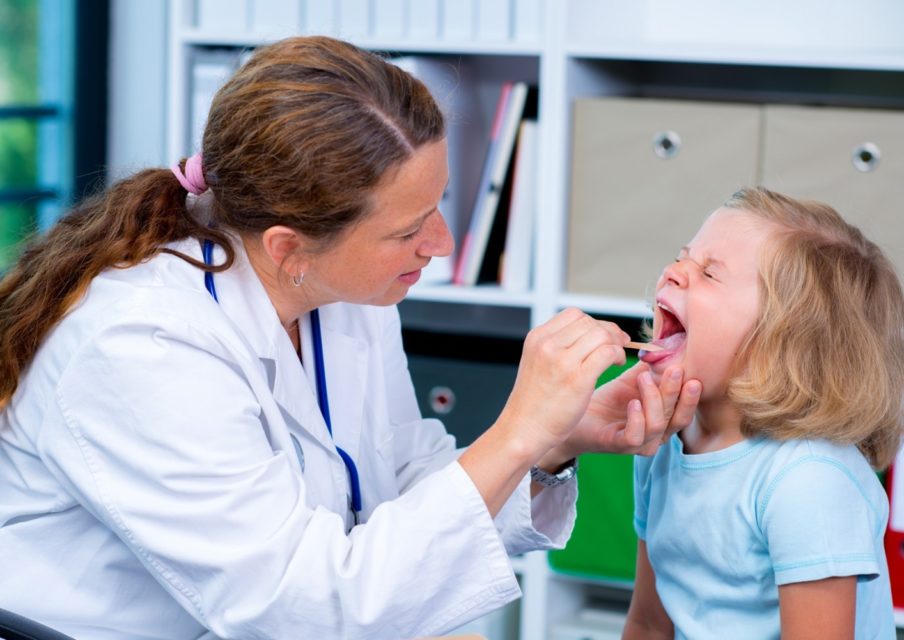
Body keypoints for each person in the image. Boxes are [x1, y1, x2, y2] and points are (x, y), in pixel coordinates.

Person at [0, 36, 700, 639]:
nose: (443, 242)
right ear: (288, 247)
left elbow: (396, 488)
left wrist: (555, 440)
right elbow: (302, 611)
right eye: (407, 229)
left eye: (439, 205)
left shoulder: (342, 288)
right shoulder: (141, 347)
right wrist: (514, 431)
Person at [623, 186, 904, 640]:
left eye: (710, 274)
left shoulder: (809, 480)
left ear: (781, 346)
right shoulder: (662, 442)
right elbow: (649, 623)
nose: (672, 272)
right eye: (682, 258)